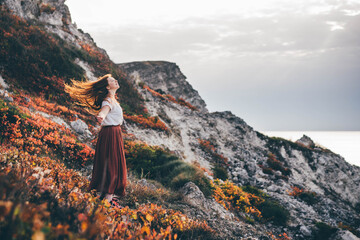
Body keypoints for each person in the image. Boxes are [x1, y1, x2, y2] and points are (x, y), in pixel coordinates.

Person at [64, 74, 127, 206]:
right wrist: (101, 116)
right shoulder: (108, 101)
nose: (116, 80)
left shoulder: (113, 100)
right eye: (111, 80)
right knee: (112, 165)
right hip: (110, 134)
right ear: (107, 86)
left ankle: (105, 196)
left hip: (114, 133)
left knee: (111, 163)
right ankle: (108, 199)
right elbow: (103, 112)